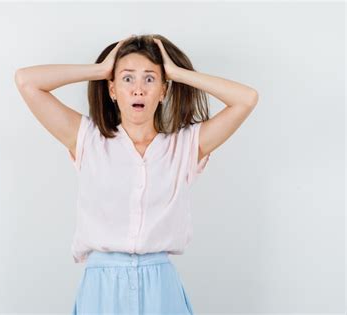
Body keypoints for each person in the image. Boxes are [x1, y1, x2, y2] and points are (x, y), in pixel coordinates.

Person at [15, 34, 258, 314]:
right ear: (112, 89)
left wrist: (177, 73)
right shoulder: (88, 139)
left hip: (160, 284)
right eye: (127, 79)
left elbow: (247, 99)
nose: (138, 89)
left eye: (150, 79)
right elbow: (26, 81)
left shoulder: (185, 146)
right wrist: (100, 70)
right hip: (102, 285)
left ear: (164, 90)